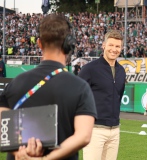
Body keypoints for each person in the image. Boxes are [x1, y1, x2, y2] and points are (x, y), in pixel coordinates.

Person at [0, 14, 97, 160]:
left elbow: (3, 129)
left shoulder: (14, 83)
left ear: (39, 43)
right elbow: (83, 136)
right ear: (69, 44)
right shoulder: (80, 87)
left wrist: (20, 154)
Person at [79, 30, 126, 160]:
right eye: (111, 45)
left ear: (121, 48)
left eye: (117, 46)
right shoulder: (89, 69)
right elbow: (77, 97)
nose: (114, 49)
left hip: (115, 130)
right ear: (104, 45)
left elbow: (118, 97)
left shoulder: (121, 71)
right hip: (94, 130)